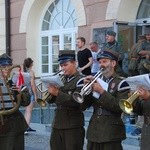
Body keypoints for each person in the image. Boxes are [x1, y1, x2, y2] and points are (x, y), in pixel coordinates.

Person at [82, 50, 130, 150]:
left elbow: (119, 107)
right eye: (100, 62)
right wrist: (85, 89)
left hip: (111, 132)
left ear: (113, 63)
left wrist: (102, 92)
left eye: (105, 61)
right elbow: (84, 106)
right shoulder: (97, 81)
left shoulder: (121, 83)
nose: (101, 65)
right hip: (94, 131)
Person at [47, 50, 85, 150]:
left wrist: (57, 93)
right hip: (57, 123)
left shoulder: (81, 80)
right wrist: (50, 93)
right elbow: (50, 101)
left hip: (72, 126)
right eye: (61, 65)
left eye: (65, 65)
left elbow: (76, 102)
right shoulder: (61, 79)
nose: (63, 68)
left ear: (74, 63)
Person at [0, 53, 28, 150]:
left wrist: (19, 92)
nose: (6, 70)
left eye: (9, 67)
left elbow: (26, 102)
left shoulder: (16, 81)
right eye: (3, 67)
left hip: (15, 125)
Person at [23, 58, 37, 134]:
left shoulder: (23, 72)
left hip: (25, 93)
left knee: (26, 111)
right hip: (30, 93)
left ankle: (26, 126)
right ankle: (25, 128)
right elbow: (32, 84)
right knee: (29, 111)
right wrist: (35, 95)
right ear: (31, 64)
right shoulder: (31, 72)